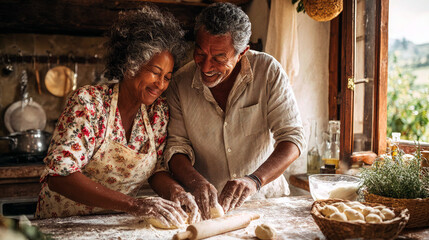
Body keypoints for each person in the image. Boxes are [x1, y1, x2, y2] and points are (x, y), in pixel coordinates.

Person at [36, 4, 201, 227]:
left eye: (167, 77)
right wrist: (135, 205)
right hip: (63, 224)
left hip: (114, 224)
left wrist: (176, 191)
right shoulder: (89, 103)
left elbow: (156, 171)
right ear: (130, 64)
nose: (161, 84)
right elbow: (59, 176)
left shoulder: (157, 113)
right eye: (155, 72)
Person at [165, 2, 306, 220]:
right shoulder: (179, 83)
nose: (206, 67)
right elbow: (176, 147)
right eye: (200, 54)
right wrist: (196, 182)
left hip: (266, 202)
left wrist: (255, 180)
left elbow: (293, 139)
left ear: (242, 53)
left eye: (219, 58)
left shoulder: (268, 71)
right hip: (207, 209)